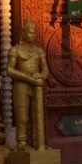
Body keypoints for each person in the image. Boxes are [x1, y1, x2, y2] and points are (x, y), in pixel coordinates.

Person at [6, 19, 50, 150]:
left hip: (37, 85)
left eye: (34, 33)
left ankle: (37, 141)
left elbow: (45, 69)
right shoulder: (15, 50)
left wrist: (41, 76)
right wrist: (28, 78)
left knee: (37, 115)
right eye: (30, 33)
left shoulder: (39, 51)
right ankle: (22, 143)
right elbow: (9, 70)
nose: (32, 35)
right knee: (22, 116)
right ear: (23, 33)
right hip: (21, 85)